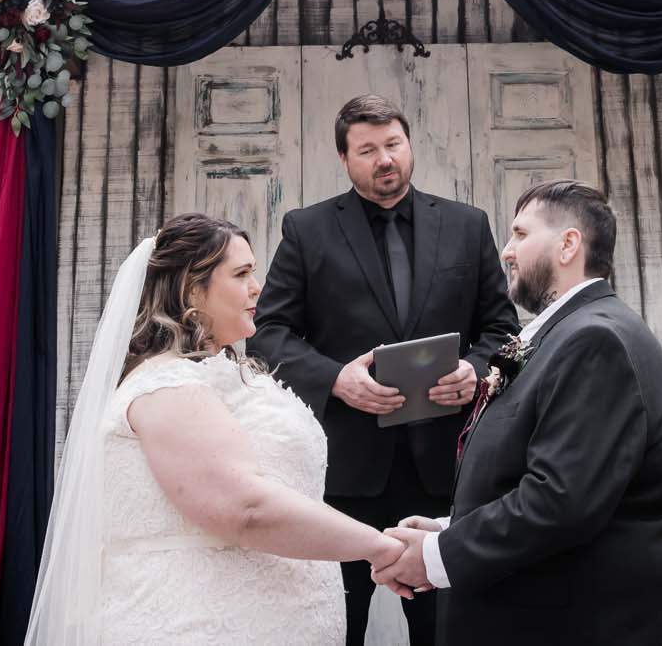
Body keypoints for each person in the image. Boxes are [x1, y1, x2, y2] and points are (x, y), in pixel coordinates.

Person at [371, 179, 662, 646]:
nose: (506, 251)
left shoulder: (595, 341)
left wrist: (436, 556)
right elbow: (538, 476)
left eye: (520, 234)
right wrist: (448, 528)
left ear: (568, 245)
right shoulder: (564, 334)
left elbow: (560, 501)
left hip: (605, 624)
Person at [24, 212, 397, 646]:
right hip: (196, 627)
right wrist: (379, 546)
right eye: (241, 274)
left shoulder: (226, 376)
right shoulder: (164, 386)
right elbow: (246, 507)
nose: (256, 287)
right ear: (191, 289)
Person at [250, 94, 521, 646]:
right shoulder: (307, 229)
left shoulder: (468, 226)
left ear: (409, 145)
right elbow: (267, 332)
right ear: (344, 159)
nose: (385, 159)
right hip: (344, 477)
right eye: (367, 150)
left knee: (444, 631)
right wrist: (335, 380)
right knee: (337, 626)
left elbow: (503, 332)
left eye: (393, 144)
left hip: (447, 473)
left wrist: (475, 370)